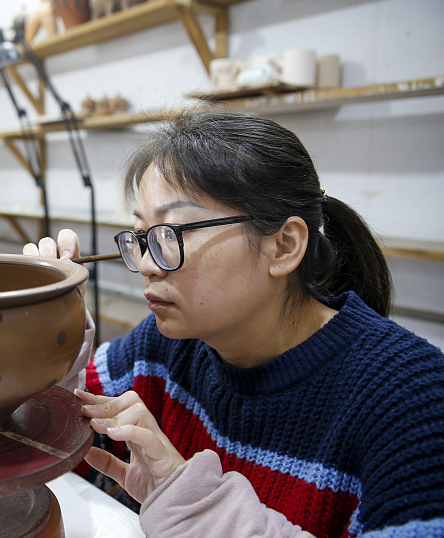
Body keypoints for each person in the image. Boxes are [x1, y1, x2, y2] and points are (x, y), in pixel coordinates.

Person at [24, 111, 444, 537]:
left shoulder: (412, 399)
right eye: (143, 236)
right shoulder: (160, 351)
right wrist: (49, 331)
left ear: (283, 246)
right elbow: (42, 433)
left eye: (174, 234)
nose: (149, 265)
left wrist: (194, 508)